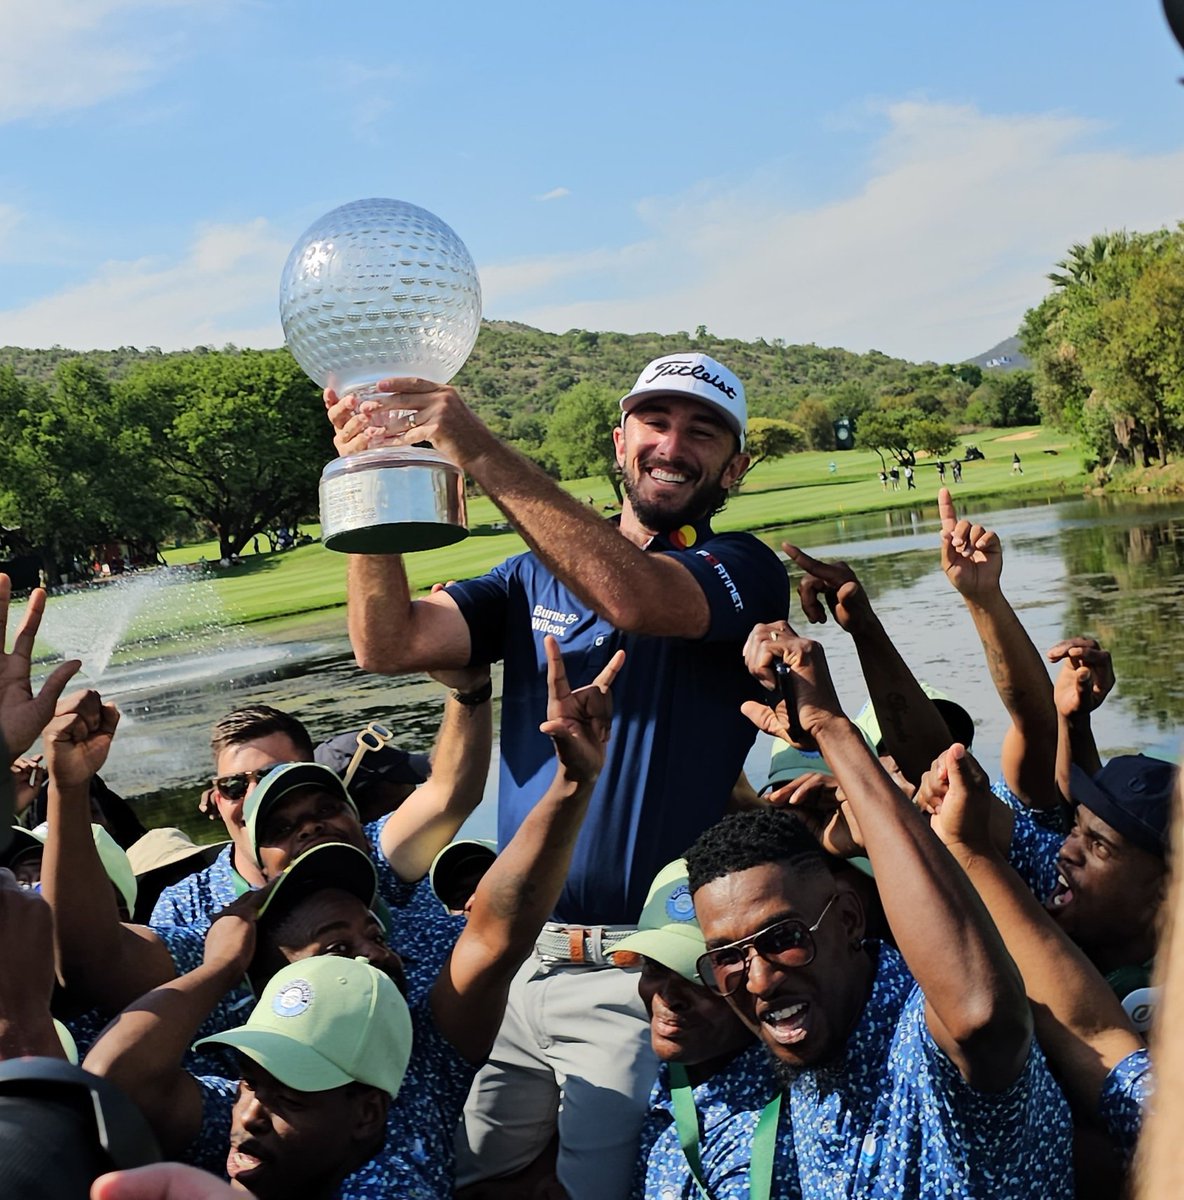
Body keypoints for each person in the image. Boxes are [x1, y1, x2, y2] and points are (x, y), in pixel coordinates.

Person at [325, 350, 789, 1197]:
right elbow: (386, 642)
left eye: (703, 430)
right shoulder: (526, 575)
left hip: (643, 975)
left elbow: (638, 598)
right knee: (476, 1180)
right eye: (655, 421)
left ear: (736, 464)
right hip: (517, 961)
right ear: (621, 440)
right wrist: (372, 478)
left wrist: (470, 441)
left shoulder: (746, 568)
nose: (673, 444)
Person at [86, 635, 621, 1199]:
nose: (375, 951)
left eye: (375, 933)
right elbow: (112, 1082)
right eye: (337, 948)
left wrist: (571, 783)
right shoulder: (247, 1097)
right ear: (270, 977)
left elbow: (498, 926)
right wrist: (219, 967)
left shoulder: (421, 1050)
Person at [688, 628, 1072, 1197]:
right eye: (727, 958)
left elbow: (980, 1017)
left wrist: (830, 728)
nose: (760, 979)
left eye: (783, 938)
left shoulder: (918, 1031)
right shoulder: (811, 1038)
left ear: (848, 920)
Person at [609, 861, 776, 1200]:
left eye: (697, 977)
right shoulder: (662, 1068)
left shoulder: (760, 1139)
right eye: (655, 966)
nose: (668, 996)